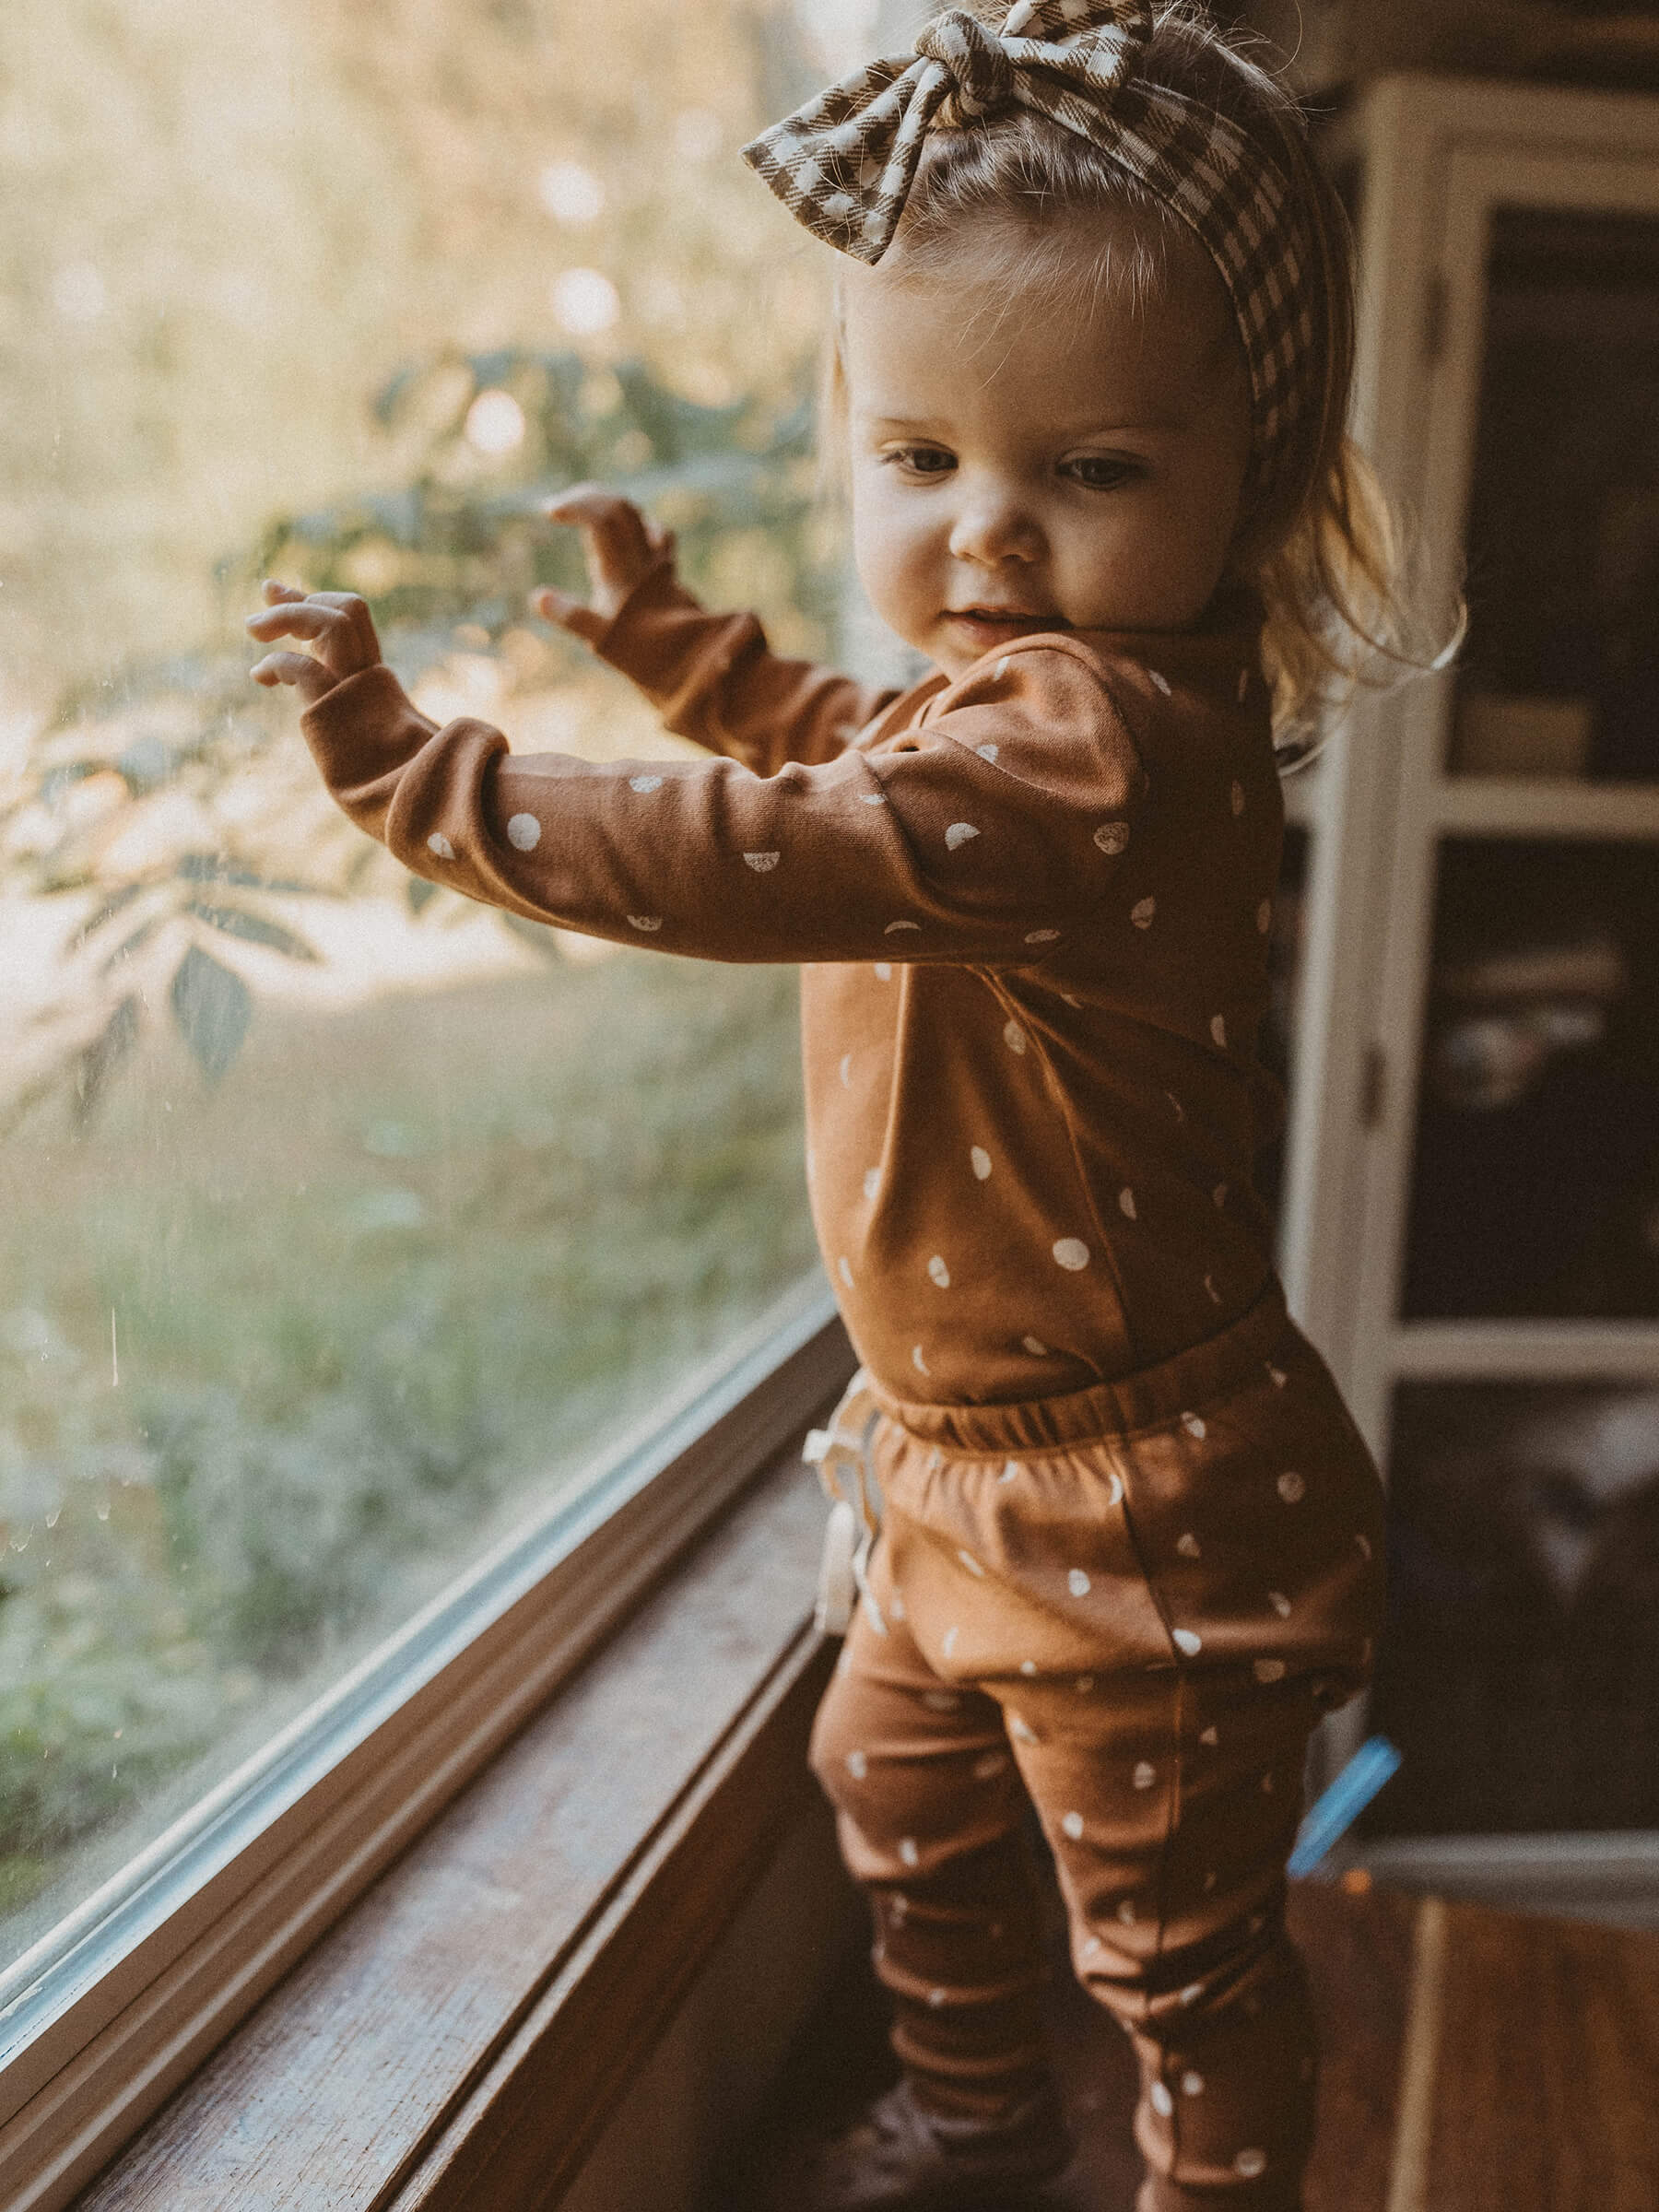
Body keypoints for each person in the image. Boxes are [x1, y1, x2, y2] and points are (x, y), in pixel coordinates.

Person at [247, 6, 1447, 2205]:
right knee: (885, 1785)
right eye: (921, 463)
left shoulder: (1096, 745)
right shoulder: (1013, 709)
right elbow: (848, 744)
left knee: (1178, 1965)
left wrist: (437, 780)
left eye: (1087, 474)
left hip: (1129, 1515)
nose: (987, 535)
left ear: (1246, 479)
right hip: (953, 1463)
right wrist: (680, 646)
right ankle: (982, 2125)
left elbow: (781, 843)